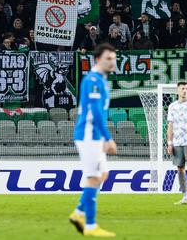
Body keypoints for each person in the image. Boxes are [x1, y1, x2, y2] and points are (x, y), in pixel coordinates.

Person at [69, 43, 118, 238]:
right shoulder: (93, 80)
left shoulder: (102, 81)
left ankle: (78, 213)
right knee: (93, 177)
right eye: (108, 58)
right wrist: (108, 138)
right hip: (89, 133)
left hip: (94, 134)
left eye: (114, 58)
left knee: (102, 175)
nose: (112, 62)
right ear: (98, 59)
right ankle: (90, 226)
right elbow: (96, 112)